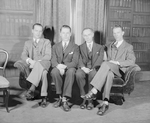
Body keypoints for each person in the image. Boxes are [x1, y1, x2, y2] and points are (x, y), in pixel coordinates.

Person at [83, 25, 136, 115]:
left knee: (106, 64)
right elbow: (104, 57)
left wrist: (117, 62)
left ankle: (94, 90)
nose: (116, 35)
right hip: (109, 70)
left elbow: (132, 61)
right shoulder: (110, 45)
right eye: (114, 33)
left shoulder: (128, 46)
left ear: (122, 33)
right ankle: (105, 102)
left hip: (119, 71)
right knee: (109, 74)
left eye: (118, 32)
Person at [20, 23, 51, 107]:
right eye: (36, 31)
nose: (38, 33)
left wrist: (37, 63)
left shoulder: (46, 42)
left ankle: (32, 88)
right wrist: (29, 60)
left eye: (40, 31)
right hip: (33, 65)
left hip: (44, 63)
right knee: (44, 73)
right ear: (32, 31)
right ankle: (44, 97)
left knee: (42, 68)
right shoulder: (27, 43)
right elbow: (23, 55)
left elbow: (48, 56)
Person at [51, 25, 79, 112]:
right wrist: (59, 66)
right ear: (60, 34)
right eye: (63, 33)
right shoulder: (55, 46)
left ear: (70, 34)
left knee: (71, 72)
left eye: (67, 33)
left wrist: (65, 67)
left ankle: (64, 99)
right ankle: (60, 96)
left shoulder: (75, 46)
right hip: (58, 66)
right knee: (54, 72)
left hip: (70, 67)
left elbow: (75, 62)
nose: (65, 35)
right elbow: (53, 60)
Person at [76, 28, 104, 110]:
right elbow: (79, 58)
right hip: (84, 68)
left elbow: (100, 59)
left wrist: (93, 68)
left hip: (94, 68)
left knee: (93, 74)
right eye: (85, 35)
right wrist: (83, 68)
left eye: (89, 35)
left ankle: (90, 100)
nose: (87, 37)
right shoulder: (80, 47)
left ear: (92, 35)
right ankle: (83, 97)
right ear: (82, 36)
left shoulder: (100, 47)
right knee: (78, 74)